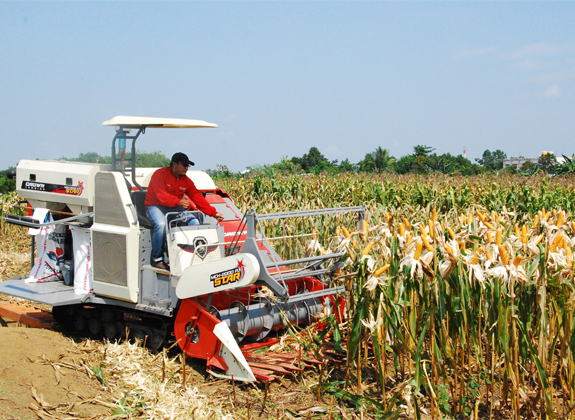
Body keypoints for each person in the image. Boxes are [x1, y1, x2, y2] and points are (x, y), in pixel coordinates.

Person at [145, 152, 224, 269]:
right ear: (174, 164)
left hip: (174, 207)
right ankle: (157, 259)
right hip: (155, 206)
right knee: (161, 224)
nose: (186, 168)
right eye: (184, 165)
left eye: (188, 166)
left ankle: (195, 257)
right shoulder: (160, 174)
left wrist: (213, 213)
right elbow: (160, 195)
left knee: (194, 222)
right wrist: (178, 202)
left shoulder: (185, 180)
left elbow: (196, 196)